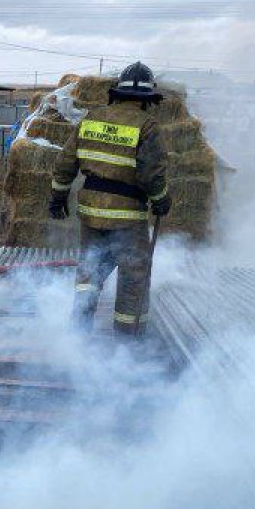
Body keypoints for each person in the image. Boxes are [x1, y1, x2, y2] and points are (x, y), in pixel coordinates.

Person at [48, 62, 171, 335]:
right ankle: (127, 340)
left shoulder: (91, 119)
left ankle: (78, 331)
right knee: (133, 277)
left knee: (90, 272)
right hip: (128, 218)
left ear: (117, 93)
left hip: (91, 212)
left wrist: (57, 197)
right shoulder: (147, 126)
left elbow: (65, 163)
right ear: (147, 99)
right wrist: (161, 199)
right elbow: (152, 176)